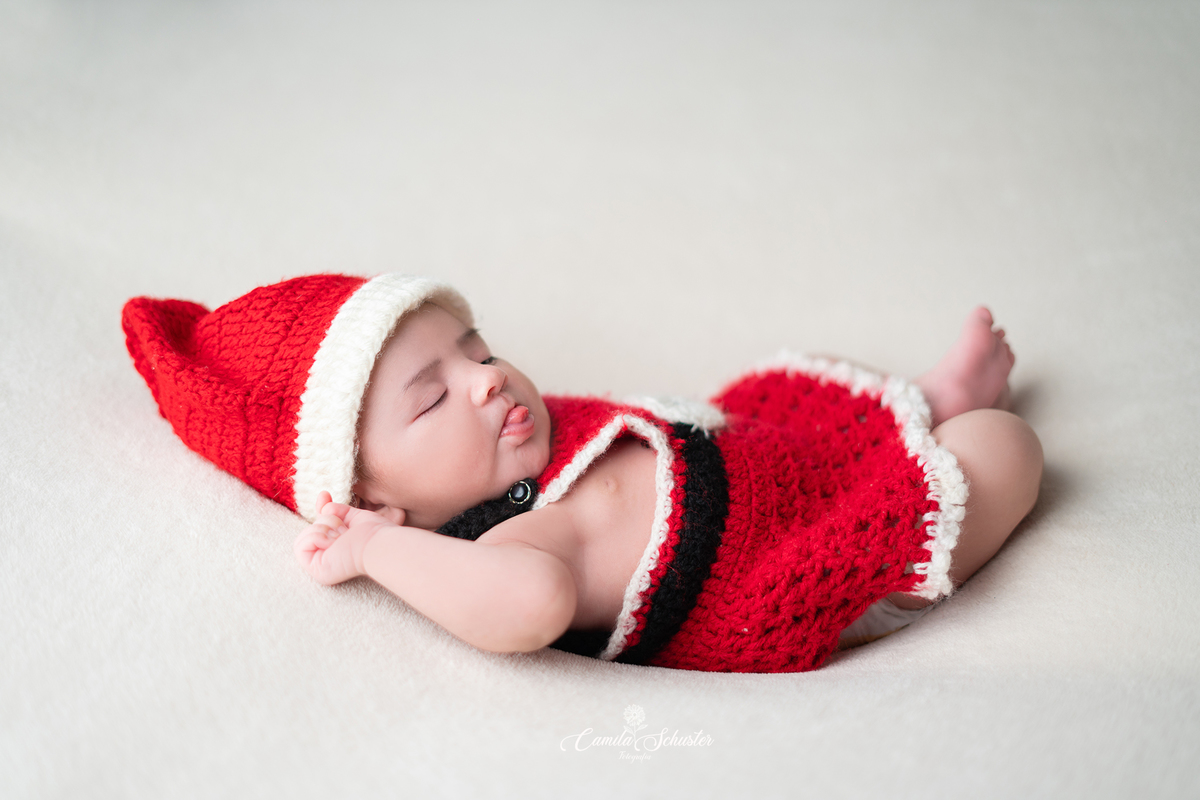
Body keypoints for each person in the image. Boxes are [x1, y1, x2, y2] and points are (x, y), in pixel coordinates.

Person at [123, 273, 1042, 673]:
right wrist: (374, 552)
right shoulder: (502, 541)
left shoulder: (540, 430)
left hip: (772, 467)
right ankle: (943, 429)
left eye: (477, 349)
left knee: (793, 388)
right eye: (433, 399)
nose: (486, 380)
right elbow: (528, 606)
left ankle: (917, 402)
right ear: (375, 498)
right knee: (1003, 448)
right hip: (800, 566)